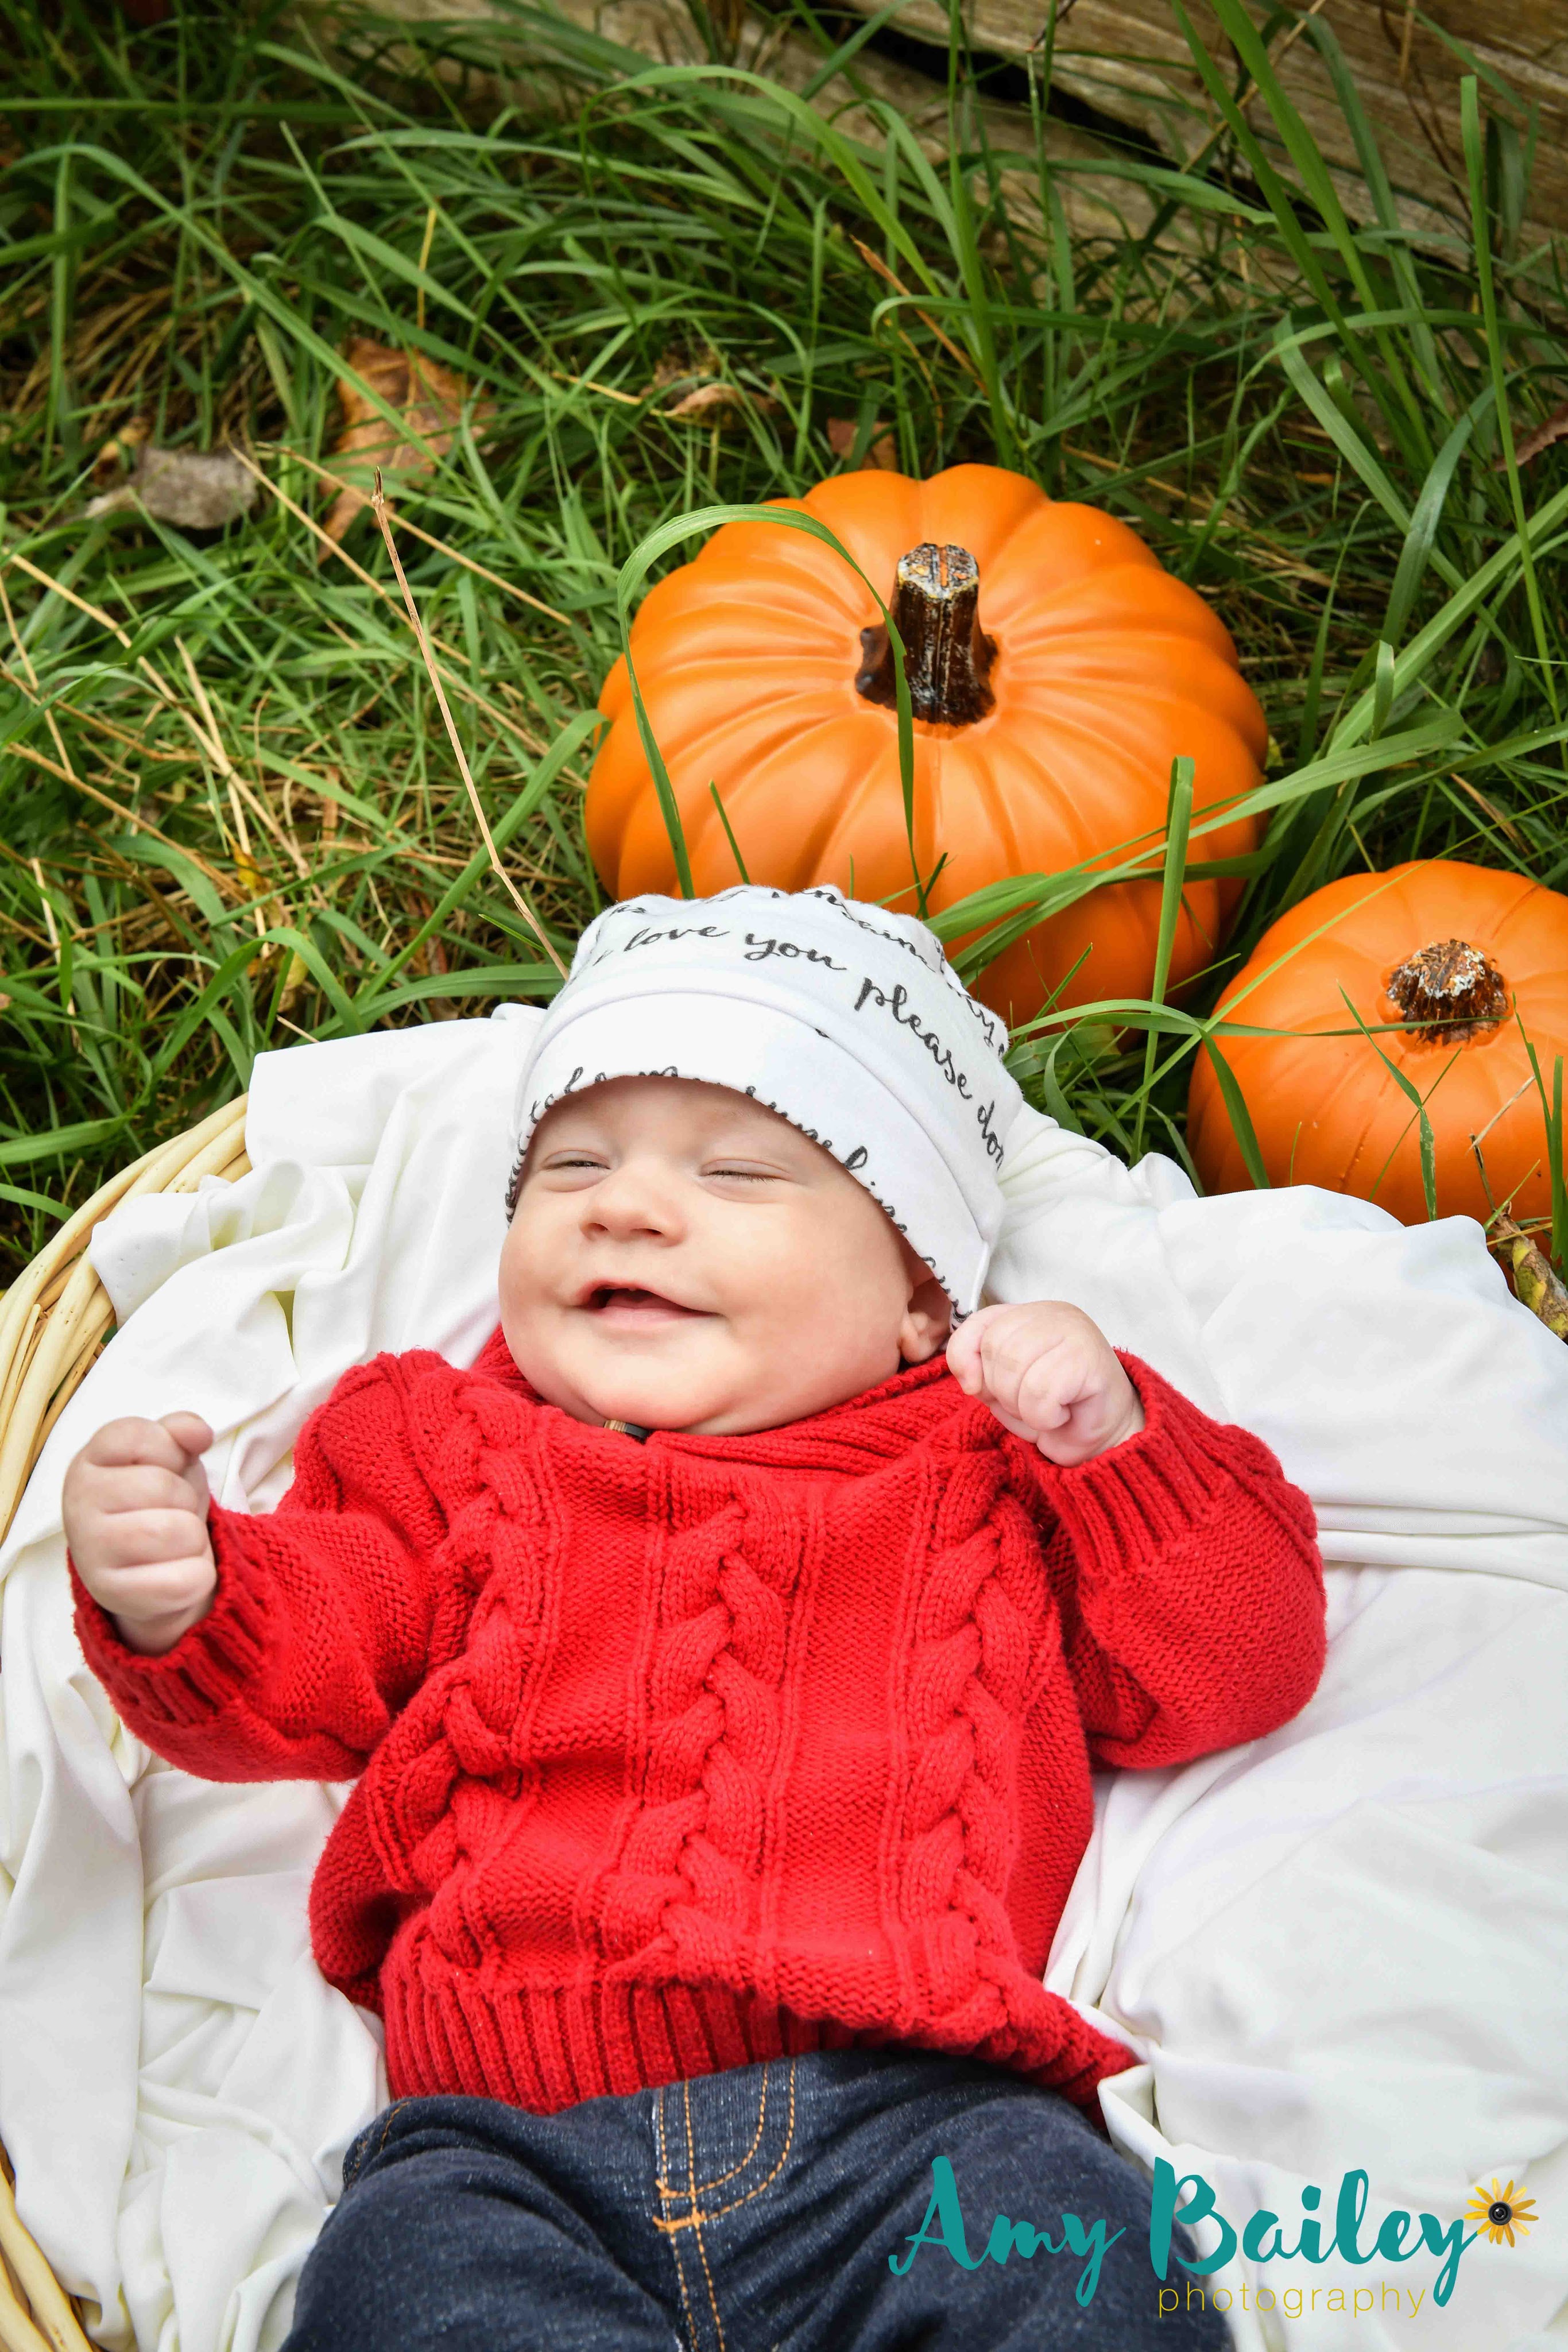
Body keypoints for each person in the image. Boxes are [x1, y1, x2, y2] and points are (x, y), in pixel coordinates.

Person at [64, 885, 1326, 2351]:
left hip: (925, 2113)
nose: (624, 1204)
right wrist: (188, 1594)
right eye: (572, 1164)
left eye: (735, 1171)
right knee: (396, 2287)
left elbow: (1232, 1667)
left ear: (921, 1297)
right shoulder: (438, 1437)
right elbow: (326, 1642)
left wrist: (1114, 1445)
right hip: (499, 2147)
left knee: (1077, 2274)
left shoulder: (989, 1464)